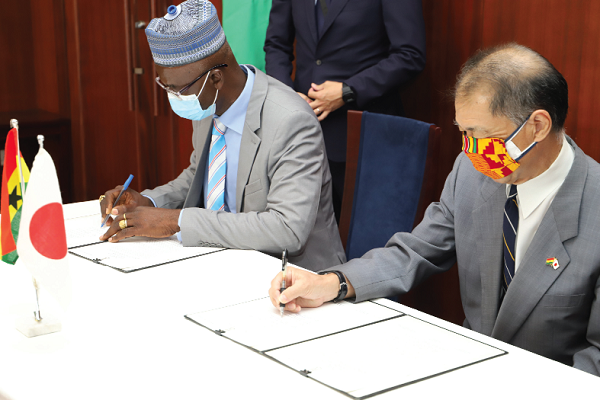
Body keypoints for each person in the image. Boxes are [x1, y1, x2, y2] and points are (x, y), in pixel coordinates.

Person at [269, 43, 600, 376]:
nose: (469, 151)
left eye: (480, 135)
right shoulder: (472, 172)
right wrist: (333, 282)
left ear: (538, 125)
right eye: (463, 132)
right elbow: (415, 252)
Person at [99, 0, 346, 270]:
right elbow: (199, 176)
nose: (174, 99)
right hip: (225, 263)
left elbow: (287, 230)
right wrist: (150, 201)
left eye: (178, 90)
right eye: (166, 88)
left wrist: (175, 220)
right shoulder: (207, 104)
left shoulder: (291, 121)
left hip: (297, 279)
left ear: (216, 79)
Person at [264, 0, 426, 220]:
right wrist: (289, 96)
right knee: (310, 241)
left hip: (365, 140)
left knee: (366, 243)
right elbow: (276, 45)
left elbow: (410, 54)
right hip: (303, 136)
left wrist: (349, 91)